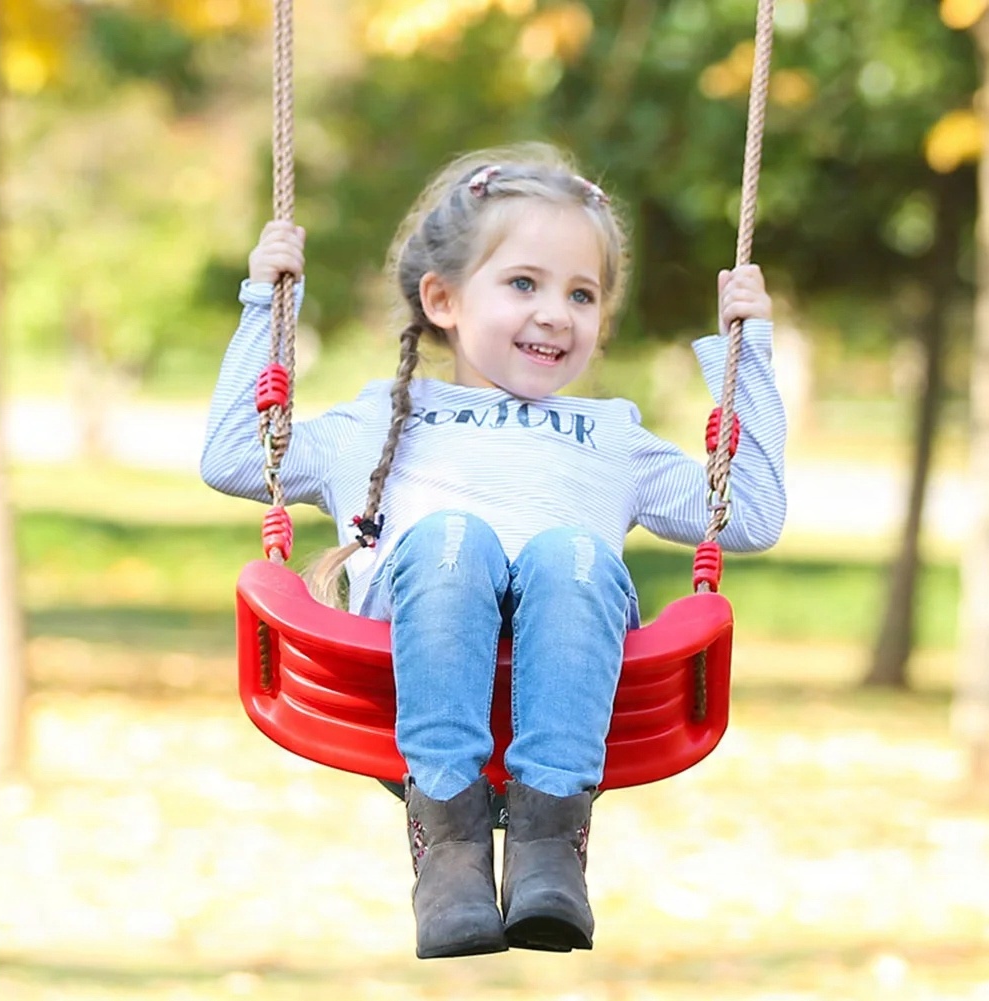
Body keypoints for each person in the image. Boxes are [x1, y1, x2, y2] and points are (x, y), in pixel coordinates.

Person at [201, 143, 786, 959]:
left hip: (569, 651)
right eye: (523, 283)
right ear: (441, 298)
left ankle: (551, 849)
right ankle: (448, 849)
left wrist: (747, 356)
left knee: (570, 551)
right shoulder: (376, 418)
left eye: (581, 293)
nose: (555, 313)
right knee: (453, 538)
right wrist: (265, 305)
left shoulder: (612, 435)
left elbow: (747, 513)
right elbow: (236, 456)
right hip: (408, 654)